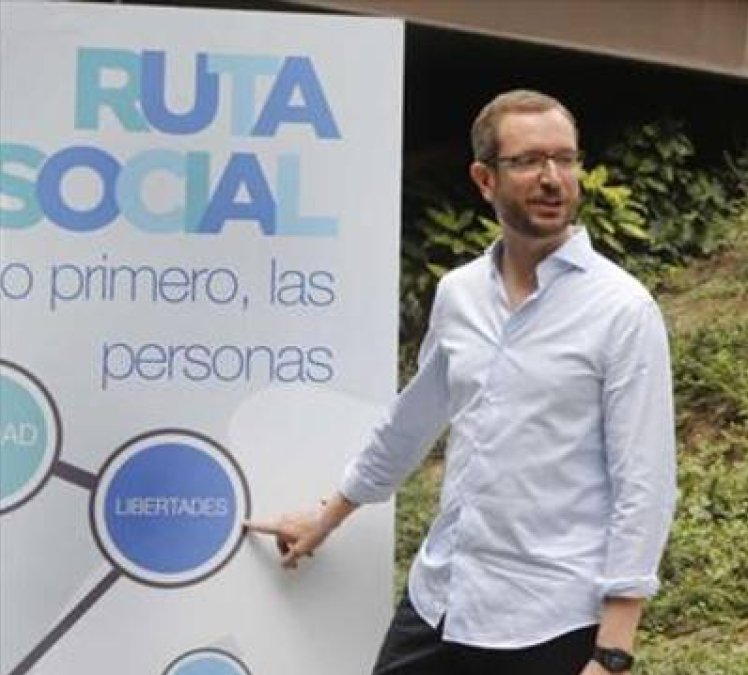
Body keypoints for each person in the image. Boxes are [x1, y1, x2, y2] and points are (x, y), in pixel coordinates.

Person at [247, 89, 677, 675]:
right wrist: (324, 520)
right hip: (444, 596)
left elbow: (644, 485)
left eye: (565, 159)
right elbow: (412, 421)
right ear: (484, 179)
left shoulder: (622, 309)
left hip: (550, 619)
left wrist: (613, 652)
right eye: (528, 161)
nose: (553, 178)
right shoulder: (460, 294)